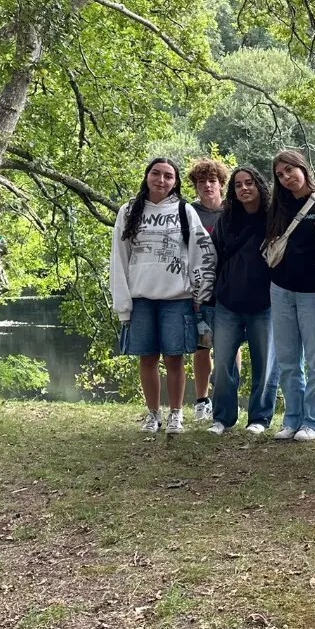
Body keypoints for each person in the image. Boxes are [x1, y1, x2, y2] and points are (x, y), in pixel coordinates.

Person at [110, 157, 216, 435]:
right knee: (147, 358)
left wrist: (200, 293)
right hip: (141, 299)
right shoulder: (129, 211)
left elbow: (201, 253)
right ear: (147, 176)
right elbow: (119, 258)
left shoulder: (184, 210)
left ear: (175, 182)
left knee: (174, 358)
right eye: (156, 174)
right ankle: (153, 414)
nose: (161, 180)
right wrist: (123, 304)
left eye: (168, 176)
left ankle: (176, 414)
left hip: (177, 299)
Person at [264, 149, 315, 441]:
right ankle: (292, 418)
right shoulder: (278, 206)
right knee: (288, 360)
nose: (286, 178)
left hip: (313, 293)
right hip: (280, 288)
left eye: (290, 170)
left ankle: (314, 421)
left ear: (303, 168)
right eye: (280, 174)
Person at [208, 165, 275, 435]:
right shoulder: (226, 219)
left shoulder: (274, 218)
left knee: (265, 364)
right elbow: (214, 257)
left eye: (249, 183)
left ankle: (260, 418)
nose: (244, 188)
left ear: (259, 185)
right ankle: (222, 418)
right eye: (238, 185)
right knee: (223, 364)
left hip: (265, 303)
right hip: (228, 302)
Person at [187, 158, 229, 422]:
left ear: (221, 184)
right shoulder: (189, 213)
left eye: (212, 181)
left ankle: (226, 396)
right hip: (200, 292)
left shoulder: (232, 211)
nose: (207, 186)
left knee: (230, 347)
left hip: (229, 289)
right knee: (202, 346)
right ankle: (202, 401)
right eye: (201, 182)